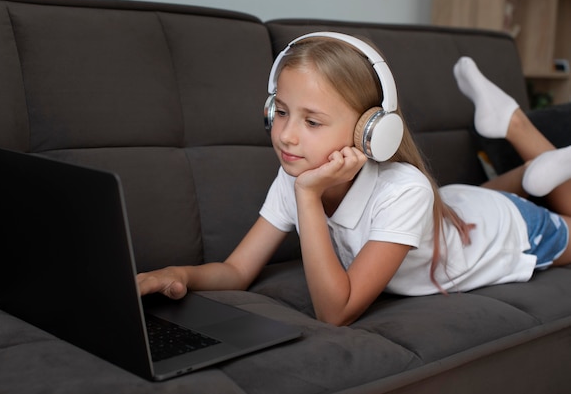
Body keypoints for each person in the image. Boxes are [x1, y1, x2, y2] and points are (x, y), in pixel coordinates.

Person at [137, 32, 571, 326]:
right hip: (452, 208)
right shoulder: (301, 171)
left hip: (503, 231)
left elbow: (336, 311)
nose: (286, 135)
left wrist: (308, 196)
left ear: (372, 131)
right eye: (281, 112)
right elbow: (236, 269)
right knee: (460, 201)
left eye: (313, 121)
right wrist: (181, 273)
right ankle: (534, 168)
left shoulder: (398, 189)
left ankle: (518, 129)